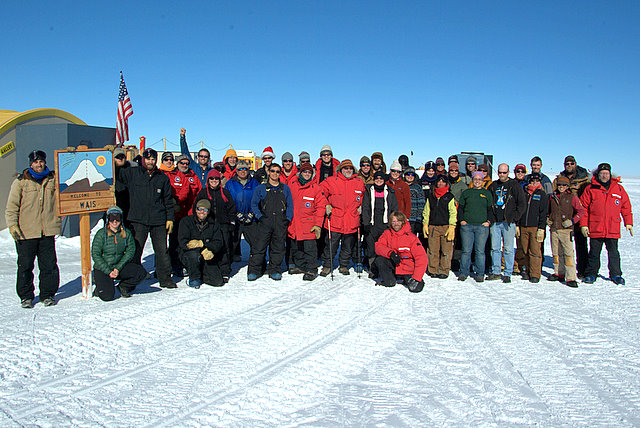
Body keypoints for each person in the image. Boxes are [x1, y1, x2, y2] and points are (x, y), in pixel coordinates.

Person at [6, 150, 61, 308]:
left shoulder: (52, 179)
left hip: (47, 230)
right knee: (25, 266)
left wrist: (72, 155)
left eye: (41, 161)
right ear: (31, 164)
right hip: (26, 232)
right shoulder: (21, 181)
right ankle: (26, 296)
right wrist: (12, 225)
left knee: (49, 265)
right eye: (36, 162)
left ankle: (48, 294)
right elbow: (12, 206)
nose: (39, 164)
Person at [117, 148, 177, 289]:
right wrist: (118, 162)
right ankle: (131, 280)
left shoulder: (162, 178)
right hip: (138, 220)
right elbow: (117, 177)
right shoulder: (132, 173)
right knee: (135, 251)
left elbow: (168, 200)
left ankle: (165, 279)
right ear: (143, 159)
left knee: (162, 251)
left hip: (158, 220)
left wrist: (170, 218)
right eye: (148, 158)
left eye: (153, 159)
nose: (150, 161)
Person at [580, 163, 633, 285]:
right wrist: (584, 225)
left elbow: (625, 207)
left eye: (606, 173)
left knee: (614, 252)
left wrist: (628, 223)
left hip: (612, 227)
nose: (604, 176)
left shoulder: (618, 189)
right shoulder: (590, 189)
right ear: (597, 174)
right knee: (594, 252)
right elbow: (584, 209)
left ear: (610, 174)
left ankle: (616, 274)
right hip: (596, 227)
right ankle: (591, 274)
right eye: (602, 173)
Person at [248, 163, 294, 280]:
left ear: (280, 173)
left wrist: (287, 219)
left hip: (280, 222)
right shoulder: (261, 188)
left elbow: (290, 206)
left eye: (277, 171)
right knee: (259, 247)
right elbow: (254, 204)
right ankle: (255, 270)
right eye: (272, 171)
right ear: (268, 172)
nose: (275, 173)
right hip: (265, 222)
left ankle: (275, 270)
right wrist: (259, 216)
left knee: (278, 248)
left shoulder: (285, 188)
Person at [320, 159, 365, 276]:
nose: (348, 170)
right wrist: (326, 205)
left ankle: (344, 265)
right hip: (335, 219)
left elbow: (364, 197)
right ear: (340, 169)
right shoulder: (331, 181)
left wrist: (362, 206)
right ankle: (327, 265)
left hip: (352, 220)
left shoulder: (359, 182)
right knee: (331, 245)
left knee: (348, 246)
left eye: (350, 168)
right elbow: (320, 193)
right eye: (345, 168)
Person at [91, 206, 147, 300]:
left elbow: (130, 251)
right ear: (108, 219)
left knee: (140, 273)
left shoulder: (126, 233)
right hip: (104, 268)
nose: (114, 222)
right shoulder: (101, 234)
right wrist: (108, 271)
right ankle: (101, 285)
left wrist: (118, 268)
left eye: (117, 218)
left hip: (118, 266)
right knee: (107, 297)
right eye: (112, 219)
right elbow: (95, 254)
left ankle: (123, 287)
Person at [193, 169, 237, 282]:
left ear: (219, 180)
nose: (214, 181)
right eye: (211, 178)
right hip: (209, 225)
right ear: (208, 180)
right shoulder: (203, 193)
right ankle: (207, 268)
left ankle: (224, 270)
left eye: (216, 178)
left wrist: (231, 222)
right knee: (209, 246)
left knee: (225, 246)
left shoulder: (225, 193)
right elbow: (196, 208)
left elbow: (231, 208)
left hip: (223, 224)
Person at [487, 163, 526, 283]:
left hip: (508, 222)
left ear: (508, 173)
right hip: (496, 222)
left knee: (508, 248)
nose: (502, 175)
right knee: (495, 248)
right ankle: (496, 271)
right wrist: (490, 217)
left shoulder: (514, 186)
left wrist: (514, 217)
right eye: (500, 172)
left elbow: (522, 204)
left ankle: (508, 272)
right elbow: (488, 203)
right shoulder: (493, 185)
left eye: (504, 172)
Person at [288, 162, 327, 281]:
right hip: (294, 222)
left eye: (309, 172)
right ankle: (301, 266)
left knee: (309, 248)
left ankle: (311, 269)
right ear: (300, 172)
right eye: (305, 171)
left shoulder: (316, 188)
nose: (307, 174)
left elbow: (321, 207)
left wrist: (317, 225)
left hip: (309, 223)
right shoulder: (292, 184)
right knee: (297, 247)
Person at [554, 155, 590, 277]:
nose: (569, 166)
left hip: (578, 216)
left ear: (575, 164)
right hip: (563, 216)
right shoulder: (561, 178)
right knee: (562, 246)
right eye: (567, 164)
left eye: (571, 163)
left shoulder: (583, 178)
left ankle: (582, 269)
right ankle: (561, 270)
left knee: (581, 244)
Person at [373, 211, 427, 292]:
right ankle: (389, 280)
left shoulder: (412, 238)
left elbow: (422, 258)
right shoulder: (387, 233)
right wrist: (390, 253)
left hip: (407, 268)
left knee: (415, 288)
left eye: (398, 221)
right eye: (393, 221)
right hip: (394, 266)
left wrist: (417, 277)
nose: (396, 224)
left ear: (403, 222)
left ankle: (412, 280)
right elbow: (378, 246)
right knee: (380, 259)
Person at [547, 175, 585, 287]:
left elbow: (581, 211)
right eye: (559, 185)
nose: (561, 187)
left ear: (567, 186)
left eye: (564, 185)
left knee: (568, 254)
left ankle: (571, 277)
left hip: (566, 230)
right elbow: (550, 211)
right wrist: (548, 218)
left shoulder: (572, 197)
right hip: (554, 229)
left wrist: (572, 221)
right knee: (556, 253)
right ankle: (559, 272)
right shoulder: (553, 197)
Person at [178, 199, 226, 288]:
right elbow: (182, 242)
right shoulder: (186, 221)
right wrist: (199, 247)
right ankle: (194, 277)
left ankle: (202, 274)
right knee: (194, 255)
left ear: (208, 212)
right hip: (189, 254)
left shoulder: (213, 224)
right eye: (200, 209)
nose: (202, 212)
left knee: (217, 281)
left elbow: (218, 242)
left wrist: (206, 246)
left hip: (206, 253)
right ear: (196, 209)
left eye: (205, 210)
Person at [158, 151, 191, 277]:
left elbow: (185, 188)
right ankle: (161, 267)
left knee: (175, 242)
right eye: (166, 159)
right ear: (162, 161)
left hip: (176, 213)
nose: (169, 161)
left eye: (171, 159)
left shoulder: (178, 174)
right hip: (160, 213)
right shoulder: (158, 173)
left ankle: (176, 264)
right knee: (160, 243)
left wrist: (176, 200)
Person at [457, 172, 494, 282]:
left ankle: (480, 273)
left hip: (481, 227)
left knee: (480, 251)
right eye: (475, 179)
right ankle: (463, 272)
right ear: (472, 180)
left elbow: (490, 210)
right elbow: (461, 208)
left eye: (480, 179)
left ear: (483, 181)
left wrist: (488, 221)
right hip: (467, 226)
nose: (477, 181)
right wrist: (462, 220)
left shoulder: (486, 193)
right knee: (466, 251)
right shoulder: (467, 193)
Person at [362, 170, 398, 277]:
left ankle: (383, 267)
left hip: (385, 224)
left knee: (383, 246)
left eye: (381, 178)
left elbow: (394, 209)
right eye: (376, 178)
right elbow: (365, 208)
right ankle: (373, 269)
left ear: (384, 180)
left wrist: (393, 224)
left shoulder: (390, 191)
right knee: (371, 247)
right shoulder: (369, 190)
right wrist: (366, 222)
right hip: (372, 223)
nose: (378, 180)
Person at [515, 173, 548, 283]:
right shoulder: (524, 194)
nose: (533, 183)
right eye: (532, 181)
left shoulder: (542, 195)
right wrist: (517, 224)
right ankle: (527, 270)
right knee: (524, 249)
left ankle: (535, 273)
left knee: (534, 250)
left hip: (535, 227)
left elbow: (544, 213)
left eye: (536, 181)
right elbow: (520, 209)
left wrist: (541, 228)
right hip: (523, 225)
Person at [422, 175, 457, 279]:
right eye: (439, 182)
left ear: (446, 184)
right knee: (433, 250)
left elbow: (453, 212)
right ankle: (433, 269)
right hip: (433, 227)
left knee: (446, 250)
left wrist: (452, 226)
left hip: (446, 227)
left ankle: (444, 270)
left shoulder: (449, 196)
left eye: (443, 182)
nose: (441, 183)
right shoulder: (431, 196)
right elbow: (426, 211)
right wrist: (425, 224)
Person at [225, 159, 260, 262]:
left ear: (248, 170)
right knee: (232, 241)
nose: (242, 171)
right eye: (240, 169)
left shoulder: (254, 183)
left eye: (245, 169)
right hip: (236, 217)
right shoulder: (230, 183)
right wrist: (235, 213)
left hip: (251, 218)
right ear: (236, 171)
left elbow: (259, 199)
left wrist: (252, 213)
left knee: (255, 242)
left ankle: (256, 262)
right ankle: (228, 263)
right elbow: (228, 200)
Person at [112, 147, 132, 227]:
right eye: (117, 157)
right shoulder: (110, 171)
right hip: (114, 207)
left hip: (128, 208)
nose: (120, 159)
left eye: (122, 157)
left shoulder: (131, 170)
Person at [403, 166, 425, 237]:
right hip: (402, 218)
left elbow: (421, 205)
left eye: (412, 174)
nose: (410, 176)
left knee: (411, 238)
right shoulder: (401, 186)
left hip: (413, 219)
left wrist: (419, 220)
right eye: (408, 174)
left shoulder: (417, 188)